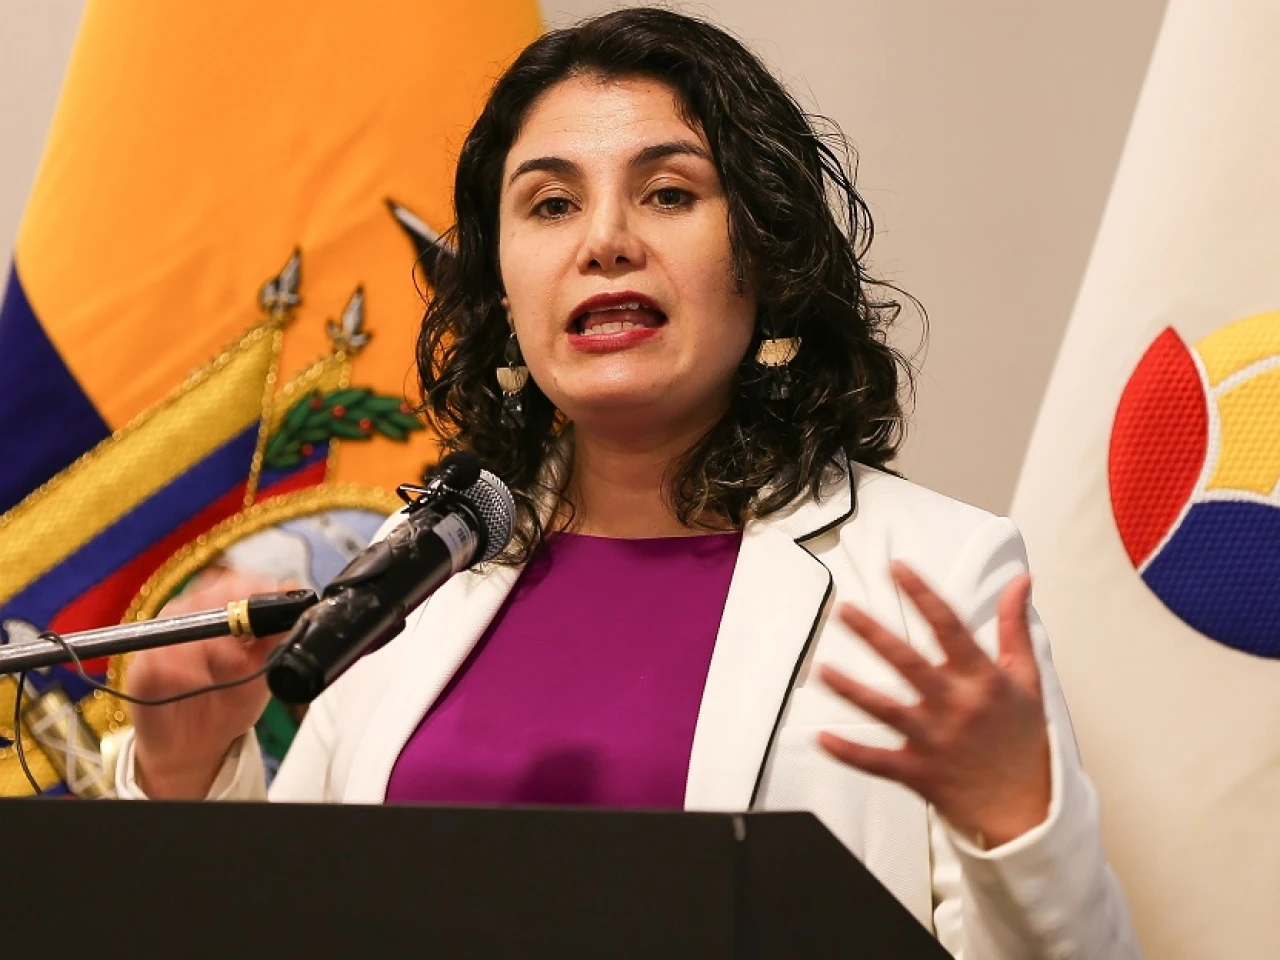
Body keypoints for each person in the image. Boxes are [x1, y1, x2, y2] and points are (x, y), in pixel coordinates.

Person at [117, 8, 1139, 957]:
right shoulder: (412, 577)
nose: (604, 242)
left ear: (764, 255)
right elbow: (288, 920)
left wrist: (1017, 827)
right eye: (551, 204)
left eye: (668, 194)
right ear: (501, 280)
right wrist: (180, 779)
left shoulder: (934, 574)